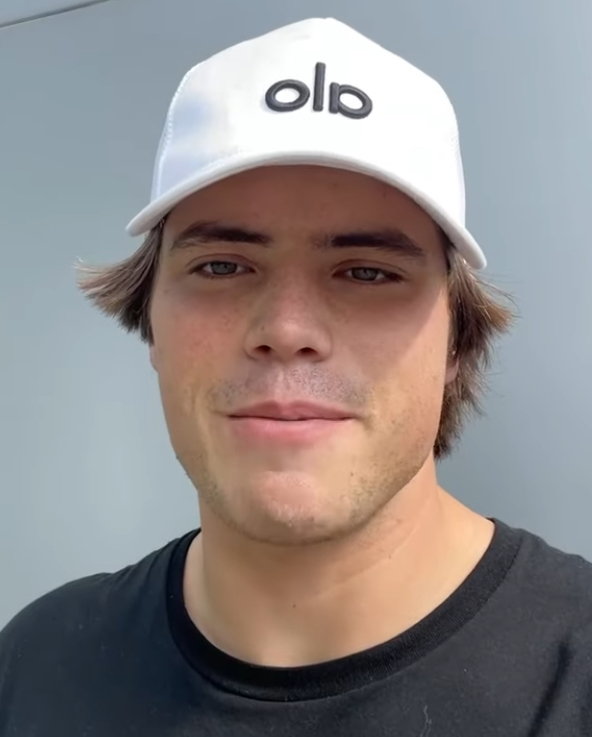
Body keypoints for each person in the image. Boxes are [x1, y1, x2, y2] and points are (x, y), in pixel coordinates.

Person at [1, 16, 591, 736]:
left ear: (456, 343)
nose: (286, 330)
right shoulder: (35, 665)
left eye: (368, 272)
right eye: (223, 265)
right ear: (150, 320)